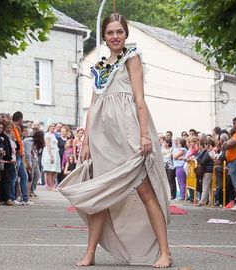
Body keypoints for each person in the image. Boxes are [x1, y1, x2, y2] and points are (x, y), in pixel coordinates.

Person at [58, 13, 171, 268]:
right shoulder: (98, 67)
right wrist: (86, 142)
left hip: (129, 133)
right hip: (102, 138)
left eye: (119, 31)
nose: (115, 36)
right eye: (110, 32)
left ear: (126, 33)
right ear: (104, 36)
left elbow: (139, 99)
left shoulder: (132, 58)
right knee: (100, 194)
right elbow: (92, 105)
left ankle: (165, 252)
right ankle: (90, 253)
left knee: (145, 191)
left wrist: (144, 134)